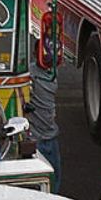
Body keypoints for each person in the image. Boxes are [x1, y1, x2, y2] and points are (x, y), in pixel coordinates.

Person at [25, 65, 61, 193]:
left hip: (50, 136)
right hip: (36, 138)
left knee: (54, 178)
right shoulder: (31, 73)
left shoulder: (52, 72)